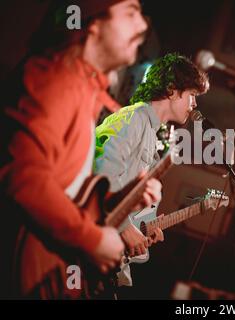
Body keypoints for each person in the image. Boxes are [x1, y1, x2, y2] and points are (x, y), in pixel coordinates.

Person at [0, 0, 162, 299]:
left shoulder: (85, 90)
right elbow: (24, 179)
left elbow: (67, 190)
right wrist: (94, 240)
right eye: (131, 12)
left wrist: (123, 199)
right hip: (28, 269)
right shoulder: (57, 79)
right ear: (92, 23)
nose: (142, 26)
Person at [95, 52, 209, 287]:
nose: (195, 104)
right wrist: (126, 229)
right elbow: (100, 174)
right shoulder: (134, 118)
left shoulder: (154, 134)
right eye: (192, 95)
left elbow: (126, 195)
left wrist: (144, 228)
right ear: (171, 89)